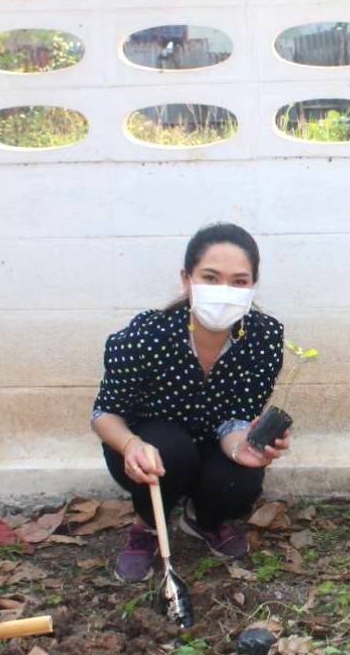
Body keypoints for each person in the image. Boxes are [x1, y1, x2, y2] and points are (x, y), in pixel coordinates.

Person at [92, 222, 288, 580]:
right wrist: (131, 445)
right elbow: (105, 413)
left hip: (214, 443)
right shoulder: (146, 336)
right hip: (150, 447)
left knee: (243, 476)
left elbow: (237, 417)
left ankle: (204, 519)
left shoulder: (264, 338)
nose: (224, 291)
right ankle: (148, 525)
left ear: (252, 286)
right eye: (210, 278)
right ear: (187, 279)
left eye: (239, 281)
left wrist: (242, 448)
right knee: (171, 449)